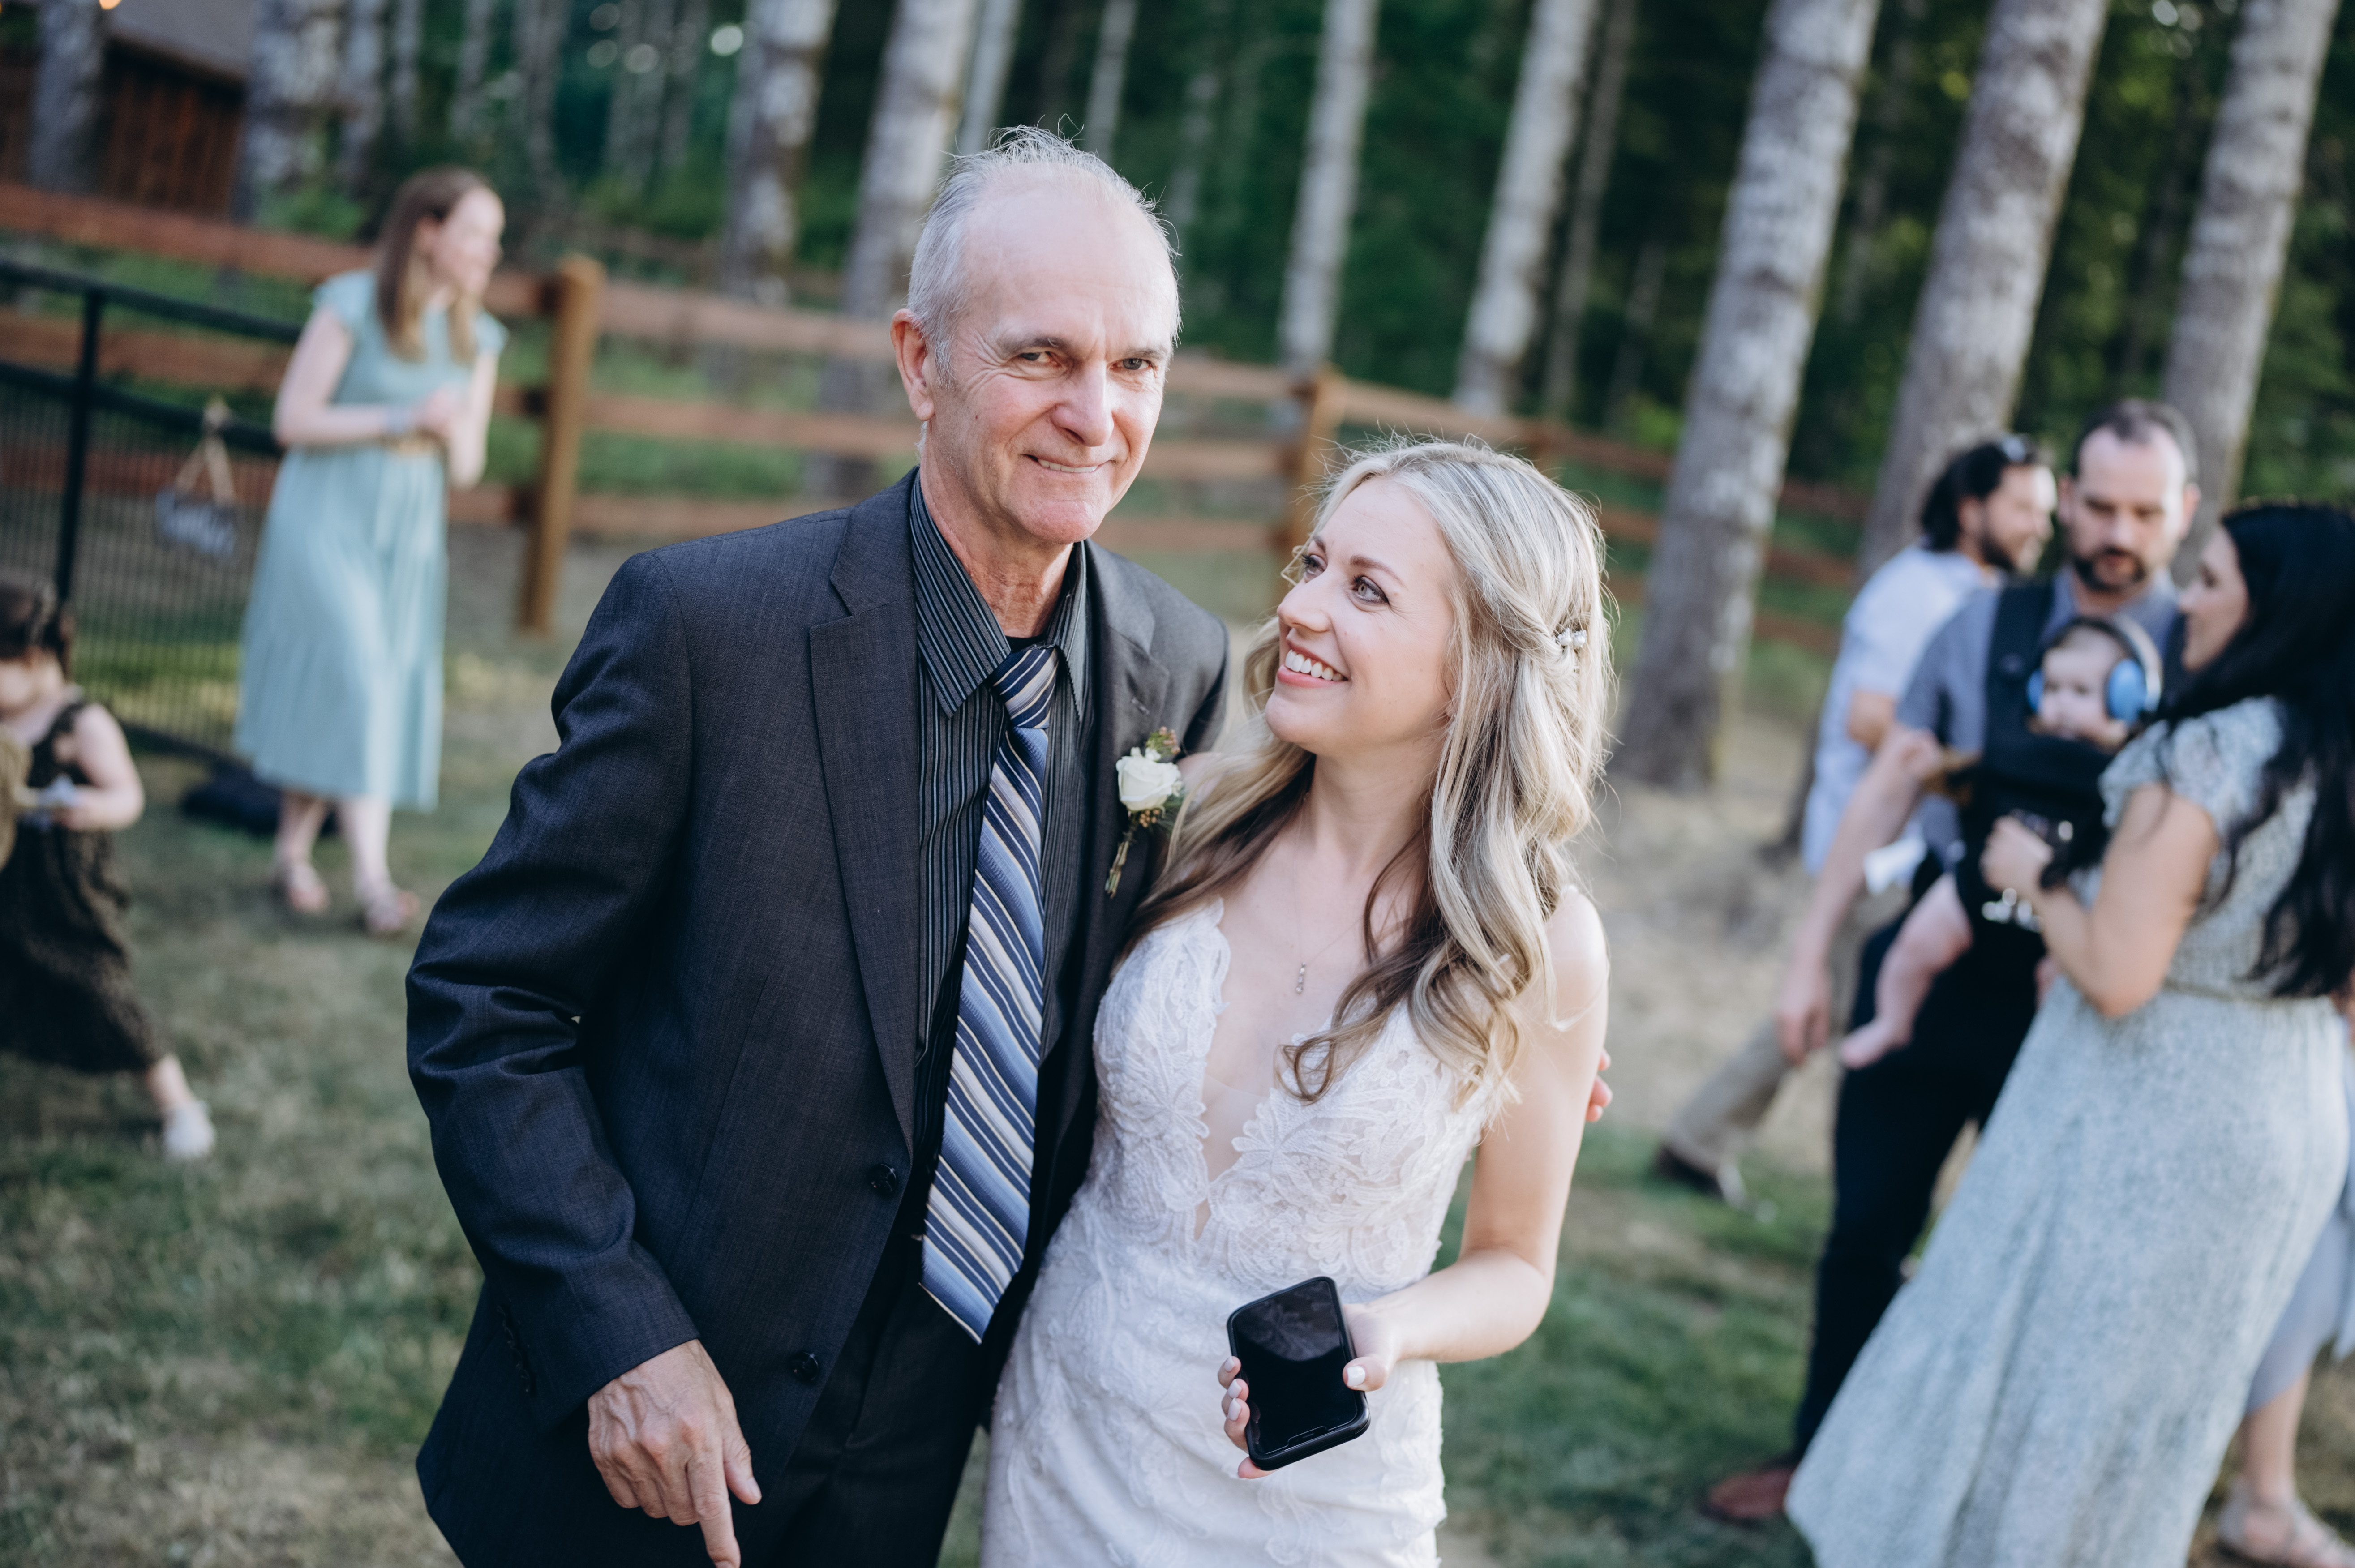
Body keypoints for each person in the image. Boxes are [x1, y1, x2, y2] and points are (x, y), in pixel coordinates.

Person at [403, 132, 1231, 1568]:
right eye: (1040, 356)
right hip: (635, 1449)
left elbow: (1226, 927)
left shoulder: (1180, 667)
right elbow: (488, 1001)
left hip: (912, 1469)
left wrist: (1460, 991)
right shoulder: (704, 630)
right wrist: (615, 1329)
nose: (1095, 414)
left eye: (1135, 365)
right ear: (921, 363)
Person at [979, 440, 1613, 1565]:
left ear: (1475, 666)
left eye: (1366, 589)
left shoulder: (1539, 944)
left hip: (1314, 1495)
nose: (1299, 609)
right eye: (1314, 566)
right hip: (1070, 1427)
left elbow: (1516, 1265)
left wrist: (1388, 1330)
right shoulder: (1185, 816)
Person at [1788, 501, 2355, 1567]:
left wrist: (2034, 882)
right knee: (2166, 1390)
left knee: (2055, 1353)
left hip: (2152, 1101)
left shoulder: (2206, 752)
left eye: (2212, 581)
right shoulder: (2339, 761)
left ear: (2277, 610)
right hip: (2288, 1105)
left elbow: (2117, 972)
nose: (2188, 600)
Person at [1704, 399, 2195, 1521]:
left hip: (2081, 999)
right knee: (1866, 1225)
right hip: (1940, 961)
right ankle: (1817, 1459)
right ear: (2067, 503)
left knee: (2031, 1263)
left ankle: (1976, 1494)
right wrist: (1808, 959)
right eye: (2098, 506)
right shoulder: (1981, 626)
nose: (2116, 533)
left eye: (2143, 513)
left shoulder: (2200, 652)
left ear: (2184, 511)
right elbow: (1888, 787)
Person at [1656, 437, 2054, 1203]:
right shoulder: (1917, 593)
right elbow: (1871, 717)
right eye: (2023, 508)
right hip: (1875, 852)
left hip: (1914, 853)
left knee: (1838, 1004)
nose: (2040, 526)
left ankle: (1703, 1141)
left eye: (2044, 511)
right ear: (1970, 508)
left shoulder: (1983, 595)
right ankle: (1701, 1140)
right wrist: (1983, 770)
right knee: (1832, 1004)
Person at [237, 167, 506, 936]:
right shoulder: (350, 304)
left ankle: (291, 853)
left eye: (494, 239)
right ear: (427, 230)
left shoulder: (478, 336)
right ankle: (372, 879)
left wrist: (451, 429)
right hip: (324, 516)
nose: (488, 252)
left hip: (408, 531)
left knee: (353, 684)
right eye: (474, 234)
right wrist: (399, 417)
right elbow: (292, 420)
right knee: (360, 681)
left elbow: (469, 466)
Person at [1837, 614, 2162, 1070]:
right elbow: (1970, 780)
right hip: (1978, 888)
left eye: (2081, 692)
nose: (2061, 705)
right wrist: (1931, 767)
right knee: (1914, 945)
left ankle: (2041, 1067)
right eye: (2052, 689)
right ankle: (1892, 1022)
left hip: (2065, 912)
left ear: (2128, 698)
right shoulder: (2017, 748)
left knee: (2060, 985)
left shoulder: (2131, 776)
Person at [0, 571, 213, 1160]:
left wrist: (91, 806)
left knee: (99, 990)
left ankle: (178, 1105)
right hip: (8, 879)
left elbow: (129, 796)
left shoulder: (80, 724)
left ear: (33, 657)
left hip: (66, 890)